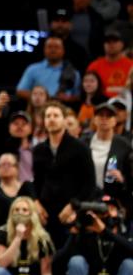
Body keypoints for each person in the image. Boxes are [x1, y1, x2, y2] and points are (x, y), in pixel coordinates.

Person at [32, 101, 97, 246]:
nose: (52, 119)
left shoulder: (80, 148)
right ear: (44, 121)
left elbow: (90, 183)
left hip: (71, 214)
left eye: (56, 115)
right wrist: (36, 202)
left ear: (64, 119)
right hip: (46, 214)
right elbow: (36, 181)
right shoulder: (38, 150)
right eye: (48, 116)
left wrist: (73, 205)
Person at [15, 36, 81, 104]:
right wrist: (39, 97)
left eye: (56, 47)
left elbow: (78, 97)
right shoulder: (33, 69)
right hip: (38, 110)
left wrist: (68, 98)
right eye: (49, 47)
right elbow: (20, 91)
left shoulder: (74, 73)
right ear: (44, 50)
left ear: (63, 50)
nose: (53, 50)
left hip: (64, 110)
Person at [86, 29, 133, 99]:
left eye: (115, 41)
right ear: (103, 44)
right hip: (100, 105)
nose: (111, 44)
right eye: (107, 41)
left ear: (122, 44)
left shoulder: (131, 66)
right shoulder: (94, 66)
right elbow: (88, 90)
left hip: (126, 105)